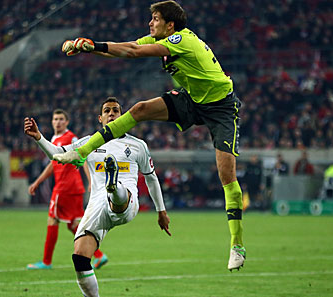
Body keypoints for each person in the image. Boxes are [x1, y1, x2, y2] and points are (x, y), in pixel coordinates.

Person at [57, 0, 245, 270]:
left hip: (221, 107)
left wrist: (94, 45)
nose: (150, 23)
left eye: (155, 19)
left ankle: (236, 244)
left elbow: (134, 53)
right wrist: (89, 47)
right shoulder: (162, 37)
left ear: (170, 25)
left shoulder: (181, 39)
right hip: (192, 99)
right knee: (141, 108)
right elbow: (128, 48)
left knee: (227, 175)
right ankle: (81, 151)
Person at [24, 97, 171, 297]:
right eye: (107, 111)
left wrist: (161, 211)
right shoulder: (87, 143)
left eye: (116, 111)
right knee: (80, 256)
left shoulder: (138, 146)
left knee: (117, 193)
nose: (112, 114)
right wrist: (39, 137)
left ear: (123, 116)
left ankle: (114, 185)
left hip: (127, 202)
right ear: (100, 118)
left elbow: (151, 179)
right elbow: (57, 154)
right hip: (97, 206)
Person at [26, 109, 108, 270]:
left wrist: (91, 181)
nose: (58, 122)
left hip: (65, 188)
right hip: (70, 188)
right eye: (55, 119)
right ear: (51, 122)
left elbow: (83, 157)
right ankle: (99, 255)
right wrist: (38, 182)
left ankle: (46, 262)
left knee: (53, 220)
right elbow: (53, 163)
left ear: (67, 122)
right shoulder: (54, 139)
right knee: (73, 224)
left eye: (61, 119)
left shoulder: (71, 138)